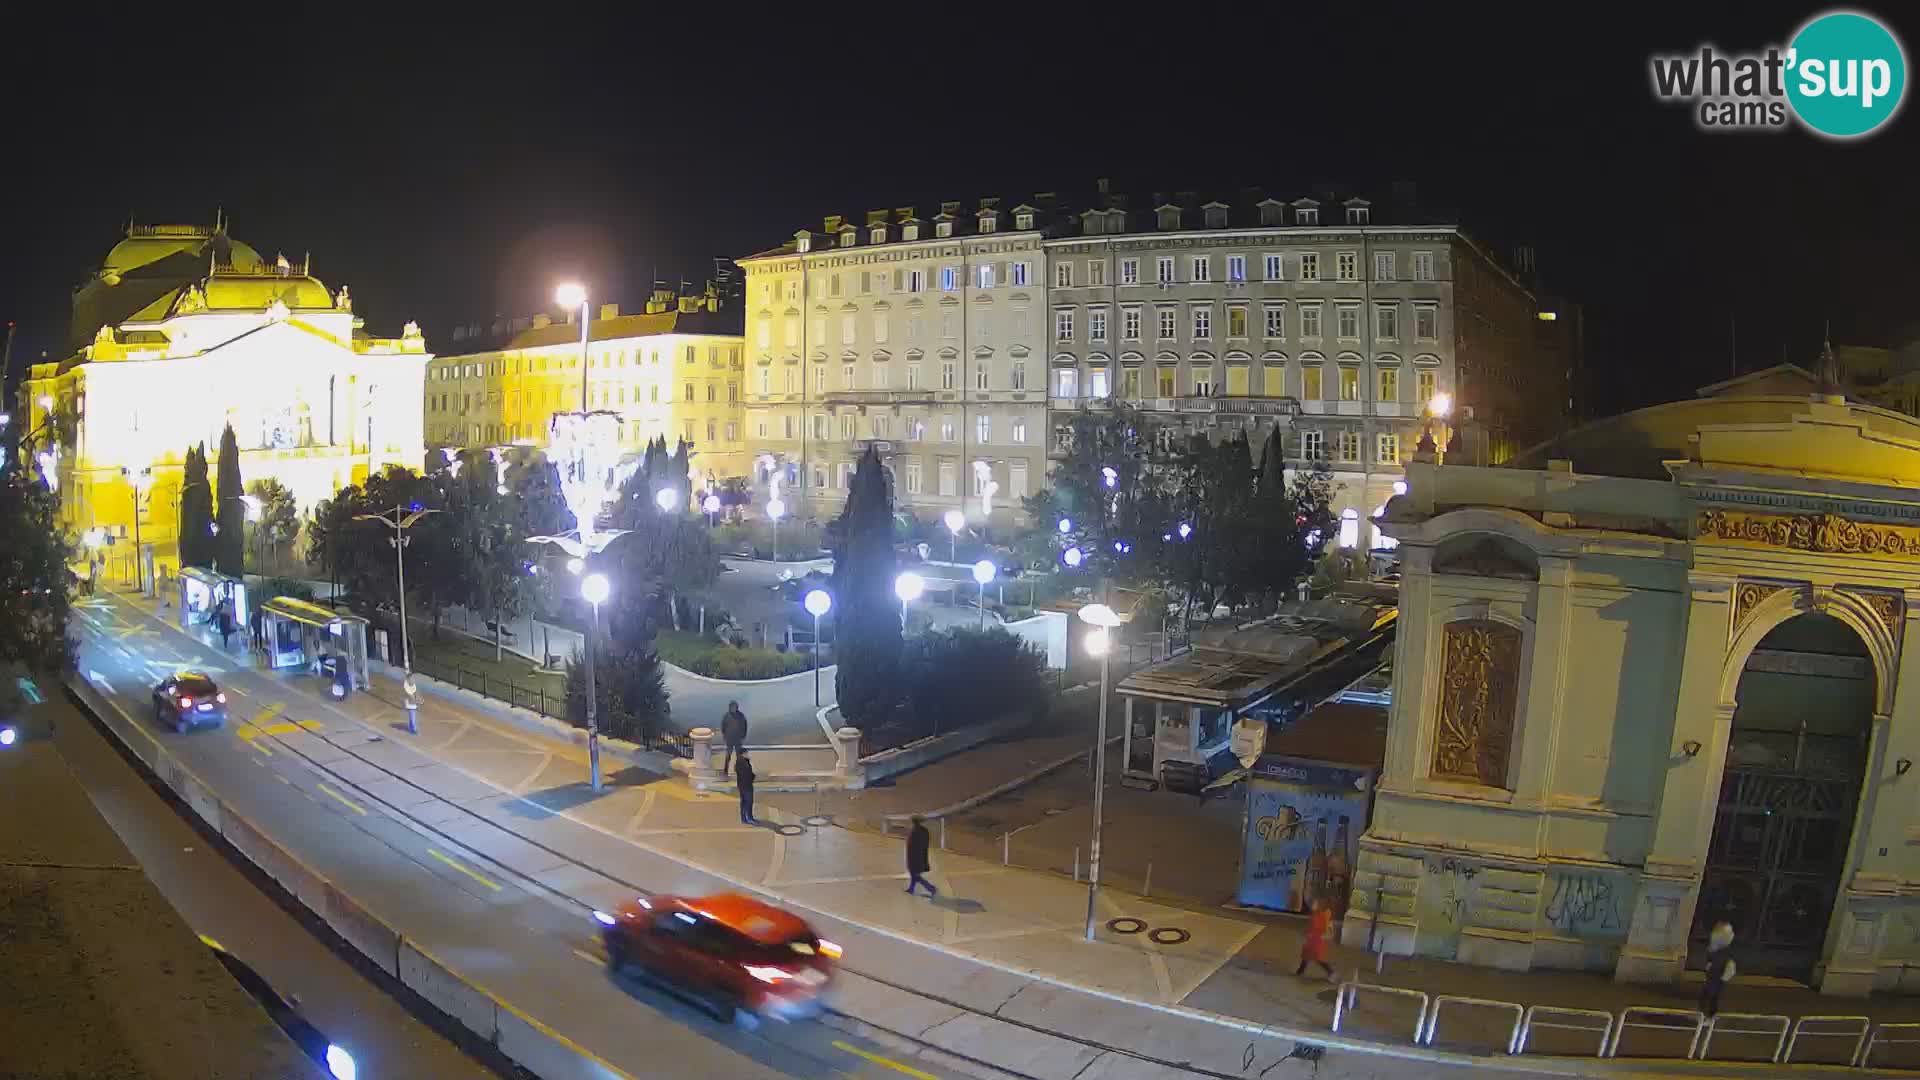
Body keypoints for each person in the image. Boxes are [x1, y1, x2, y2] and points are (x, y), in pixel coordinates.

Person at [1700, 921, 1736, 1018]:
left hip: (1718, 977)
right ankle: (1706, 1015)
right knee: (1707, 996)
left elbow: (1730, 966)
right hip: (1713, 976)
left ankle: (1710, 1016)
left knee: (1711, 997)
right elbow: (1710, 960)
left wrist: (1724, 978)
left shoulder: (1726, 951)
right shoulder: (1714, 949)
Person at [1295, 897, 1336, 982]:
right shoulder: (1316, 914)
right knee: (1306, 955)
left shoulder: (1323, 915)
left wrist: (1324, 935)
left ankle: (1331, 973)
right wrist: (1307, 933)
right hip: (1312, 938)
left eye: (1315, 904)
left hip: (1317, 940)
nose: (1312, 905)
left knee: (1317, 957)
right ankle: (1300, 971)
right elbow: (1311, 926)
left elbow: (1326, 928)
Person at [905, 816, 937, 898]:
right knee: (914, 875)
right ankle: (911, 889)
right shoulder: (924, 831)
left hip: (915, 858)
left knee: (916, 876)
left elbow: (912, 846)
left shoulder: (915, 831)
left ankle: (931, 888)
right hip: (920, 857)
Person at [720, 700, 748, 773]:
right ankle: (725, 770)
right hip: (729, 739)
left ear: (737, 707)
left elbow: (744, 726)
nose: (733, 708)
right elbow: (723, 727)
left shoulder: (741, 716)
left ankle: (739, 769)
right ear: (730, 708)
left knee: (739, 756)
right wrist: (725, 736)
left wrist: (743, 736)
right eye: (732, 707)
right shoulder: (726, 716)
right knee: (728, 755)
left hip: (738, 739)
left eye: (734, 707)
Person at [735, 750, 756, 825]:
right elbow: (747, 774)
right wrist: (752, 777)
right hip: (746, 785)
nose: (748, 754)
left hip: (742, 785)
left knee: (744, 802)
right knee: (748, 802)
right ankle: (749, 818)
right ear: (743, 754)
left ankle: (744, 818)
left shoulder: (740, 762)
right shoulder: (743, 763)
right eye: (746, 753)